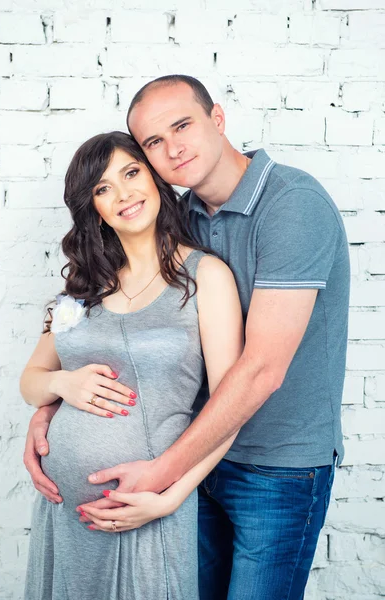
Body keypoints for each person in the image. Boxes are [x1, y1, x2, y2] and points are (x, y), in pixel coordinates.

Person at [24, 76, 350, 600]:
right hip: (200, 456)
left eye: (183, 126)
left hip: (275, 465)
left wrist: (165, 482)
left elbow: (261, 370)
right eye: (153, 142)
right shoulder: (186, 215)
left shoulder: (292, 206)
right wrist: (52, 407)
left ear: (217, 119)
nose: (172, 148)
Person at [20, 130, 243, 600]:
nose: (123, 194)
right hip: (64, 514)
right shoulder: (83, 288)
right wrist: (63, 384)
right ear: (93, 209)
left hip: (146, 507)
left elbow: (231, 410)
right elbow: (30, 381)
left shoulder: (206, 276)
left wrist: (169, 498)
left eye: (131, 172)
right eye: (103, 188)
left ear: (156, 179)